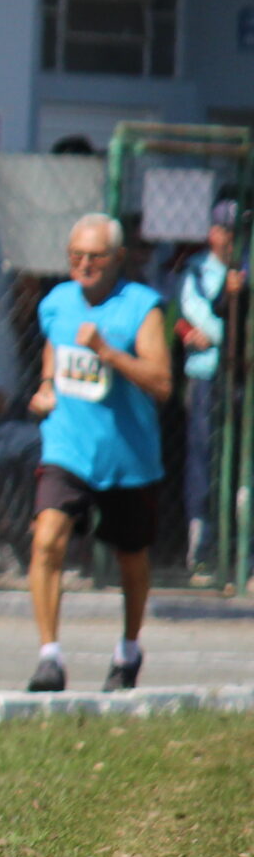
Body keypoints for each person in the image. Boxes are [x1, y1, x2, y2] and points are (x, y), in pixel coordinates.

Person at [26, 213, 170, 692]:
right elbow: (55, 348)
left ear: (118, 258)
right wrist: (46, 386)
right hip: (67, 446)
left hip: (127, 457)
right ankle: (49, 657)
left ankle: (129, 648)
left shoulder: (142, 307)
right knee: (47, 538)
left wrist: (108, 352)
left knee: (131, 558)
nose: (84, 265)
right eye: (75, 257)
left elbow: (162, 383)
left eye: (95, 257)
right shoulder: (56, 302)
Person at [175, 204, 239, 579]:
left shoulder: (246, 269)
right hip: (206, 379)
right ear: (213, 232)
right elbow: (200, 320)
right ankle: (201, 547)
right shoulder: (196, 270)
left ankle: (240, 548)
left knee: (239, 463)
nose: (230, 238)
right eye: (224, 229)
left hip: (241, 379)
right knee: (203, 459)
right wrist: (231, 334)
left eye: (236, 231)